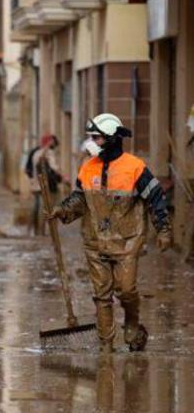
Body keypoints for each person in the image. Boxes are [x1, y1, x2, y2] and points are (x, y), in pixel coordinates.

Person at [48, 113, 171, 353]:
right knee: (101, 295)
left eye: (96, 137)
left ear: (112, 139)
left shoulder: (135, 167)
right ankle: (106, 345)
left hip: (127, 241)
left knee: (126, 289)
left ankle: (132, 325)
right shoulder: (87, 168)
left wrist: (163, 229)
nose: (91, 142)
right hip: (95, 240)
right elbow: (79, 199)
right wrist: (61, 210)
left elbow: (155, 198)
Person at [26, 134, 65, 235]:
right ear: (49, 142)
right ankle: (45, 231)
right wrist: (63, 177)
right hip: (46, 185)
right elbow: (54, 168)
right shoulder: (49, 153)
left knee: (38, 206)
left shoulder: (36, 153)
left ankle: (35, 230)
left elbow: (29, 169)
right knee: (50, 207)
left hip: (36, 184)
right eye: (52, 142)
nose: (53, 144)